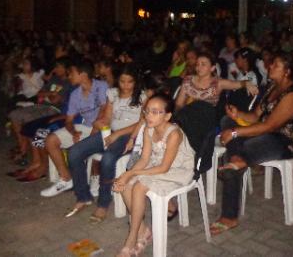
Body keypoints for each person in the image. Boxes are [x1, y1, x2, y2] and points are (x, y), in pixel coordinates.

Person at [209, 52, 293, 235]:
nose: (270, 66)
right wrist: (237, 115)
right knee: (226, 121)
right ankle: (238, 159)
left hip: (283, 142)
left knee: (240, 145)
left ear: (287, 72)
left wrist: (235, 133)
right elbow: (255, 117)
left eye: (276, 65)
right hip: (263, 135)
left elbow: (270, 126)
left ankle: (229, 215)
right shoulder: (272, 88)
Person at [112, 94, 195, 257]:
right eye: (147, 111)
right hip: (156, 164)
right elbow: (144, 159)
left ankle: (132, 237)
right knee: (126, 185)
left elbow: (164, 168)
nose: (149, 115)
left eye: (156, 112)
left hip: (176, 169)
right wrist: (127, 175)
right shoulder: (148, 129)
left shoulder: (174, 134)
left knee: (139, 186)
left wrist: (132, 173)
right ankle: (143, 230)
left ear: (167, 116)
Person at [65, 64, 146, 222]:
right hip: (111, 132)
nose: (126, 85)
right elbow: (108, 117)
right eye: (122, 81)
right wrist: (102, 125)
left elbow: (142, 122)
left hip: (130, 136)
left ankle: (103, 203)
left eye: (130, 82)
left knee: (108, 158)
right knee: (74, 152)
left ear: (136, 82)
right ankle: (83, 196)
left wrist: (117, 135)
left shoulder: (142, 97)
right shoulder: (112, 93)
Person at [40, 60, 108, 197]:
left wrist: (94, 129)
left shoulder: (101, 86)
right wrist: (73, 132)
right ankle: (66, 178)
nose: (69, 75)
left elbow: (104, 109)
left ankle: (96, 177)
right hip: (83, 127)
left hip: (103, 127)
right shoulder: (75, 94)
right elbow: (69, 120)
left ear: (82, 74)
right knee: (50, 141)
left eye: (71, 73)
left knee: (90, 142)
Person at [7, 57, 72, 169]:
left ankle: (33, 157)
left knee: (29, 119)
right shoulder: (54, 79)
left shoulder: (68, 83)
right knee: (14, 114)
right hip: (42, 105)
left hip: (55, 110)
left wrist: (46, 95)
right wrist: (50, 93)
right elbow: (39, 94)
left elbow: (55, 101)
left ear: (66, 69)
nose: (55, 69)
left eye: (58, 67)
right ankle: (23, 148)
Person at [175, 52, 258, 110]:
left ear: (212, 68)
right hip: (187, 115)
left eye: (203, 64)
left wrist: (247, 83)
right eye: (197, 64)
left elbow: (236, 84)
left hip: (205, 119)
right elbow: (179, 104)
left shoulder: (218, 83)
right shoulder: (188, 80)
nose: (198, 67)